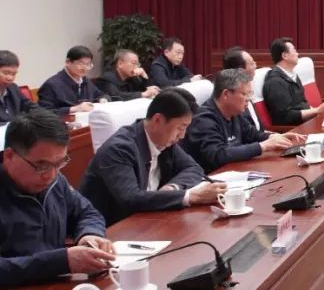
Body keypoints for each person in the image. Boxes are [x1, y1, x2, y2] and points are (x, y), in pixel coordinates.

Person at [0, 109, 115, 285]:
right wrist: (60, 262)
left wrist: (89, 235)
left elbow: (86, 212)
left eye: (59, 163)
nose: (50, 176)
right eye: (41, 165)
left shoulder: (55, 181)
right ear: (9, 156)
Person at [79, 88, 226, 226]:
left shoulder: (164, 141)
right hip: (112, 228)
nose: (182, 136)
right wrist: (190, 196)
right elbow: (130, 199)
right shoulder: (119, 148)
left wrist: (171, 188)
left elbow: (194, 168)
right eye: (180, 128)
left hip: (149, 219)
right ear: (157, 120)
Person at [181, 69, 302, 172]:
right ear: (226, 94)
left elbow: (252, 134)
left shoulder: (234, 113)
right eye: (244, 94)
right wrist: (263, 146)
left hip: (236, 171)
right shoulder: (203, 119)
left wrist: (273, 137)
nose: (248, 99)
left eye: (250, 94)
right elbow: (218, 155)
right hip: (213, 179)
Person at [262, 37, 324, 126]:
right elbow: (285, 116)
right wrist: (317, 110)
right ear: (285, 55)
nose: (298, 54)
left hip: (306, 123)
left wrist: (319, 111)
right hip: (292, 129)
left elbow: (303, 104)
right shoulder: (275, 82)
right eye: (294, 51)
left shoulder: (293, 75)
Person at [36, 46, 108, 115]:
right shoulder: (51, 85)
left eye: (88, 64)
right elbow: (44, 113)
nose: (85, 68)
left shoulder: (85, 81)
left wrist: (102, 99)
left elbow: (100, 94)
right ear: (68, 62)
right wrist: (74, 109)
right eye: (80, 64)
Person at [222, 46, 265, 131]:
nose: (255, 66)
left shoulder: (246, 89)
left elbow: (256, 131)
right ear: (240, 70)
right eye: (252, 63)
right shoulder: (232, 98)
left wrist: (273, 136)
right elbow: (244, 134)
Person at [95, 49, 160, 101]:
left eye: (138, 64)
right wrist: (143, 94)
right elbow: (115, 96)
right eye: (134, 63)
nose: (137, 67)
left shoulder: (133, 78)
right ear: (120, 64)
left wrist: (144, 77)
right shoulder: (107, 78)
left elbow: (145, 90)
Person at [0, 50, 38, 126]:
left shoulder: (13, 88)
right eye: (6, 73)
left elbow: (31, 107)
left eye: (13, 74)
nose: (10, 78)